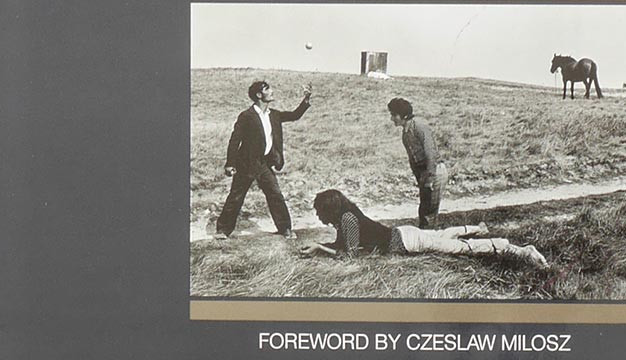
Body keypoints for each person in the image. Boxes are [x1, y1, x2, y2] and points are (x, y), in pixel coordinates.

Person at [302, 189, 548, 268]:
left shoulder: (347, 219)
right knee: (440, 236)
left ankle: (519, 249)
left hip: (407, 242)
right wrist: (320, 247)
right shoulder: (348, 215)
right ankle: (475, 227)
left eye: (320, 211)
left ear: (330, 209)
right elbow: (345, 245)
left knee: (461, 249)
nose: (318, 215)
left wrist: (321, 249)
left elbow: (350, 255)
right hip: (404, 233)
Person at [209, 79, 311, 240]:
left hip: (264, 164)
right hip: (246, 164)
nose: (271, 91)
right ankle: (222, 230)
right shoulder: (246, 116)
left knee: (275, 194)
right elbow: (235, 140)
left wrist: (306, 99)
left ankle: (285, 229)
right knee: (236, 196)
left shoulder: (274, 115)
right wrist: (230, 163)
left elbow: (294, 115)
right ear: (258, 95)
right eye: (267, 89)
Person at [387, 97, 448, 227]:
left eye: (394, 115)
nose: (392, 119)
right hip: (424, 173)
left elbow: (431, 153)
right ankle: (426, 235)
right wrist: (420, 179)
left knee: (429, 214)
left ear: (404, 115)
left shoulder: (419, 127)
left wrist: (430, 178)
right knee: (424, 211)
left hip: (435, 171)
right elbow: (413, 160)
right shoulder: (405, 134)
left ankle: (431, 238)